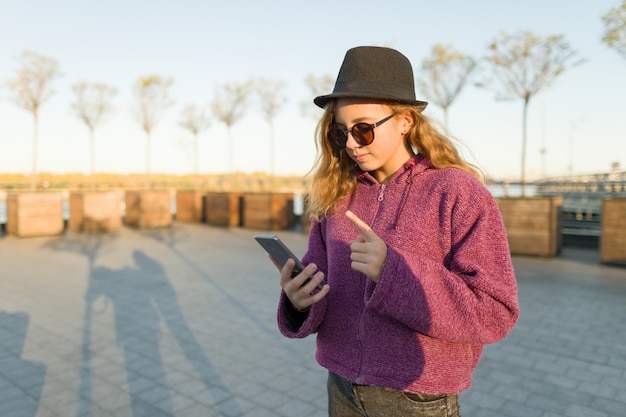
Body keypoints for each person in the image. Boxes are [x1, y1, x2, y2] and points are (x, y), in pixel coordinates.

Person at [275, 46, 519, 417]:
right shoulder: (336, 194)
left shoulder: (457, 193)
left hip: (418, 398)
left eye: (363, 129)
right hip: (341, 388)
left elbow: (495, 311)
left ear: (405, 120)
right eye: (342, 132)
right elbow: (320, 284)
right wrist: (299, 299)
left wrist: (392, 271)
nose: (352, 144)